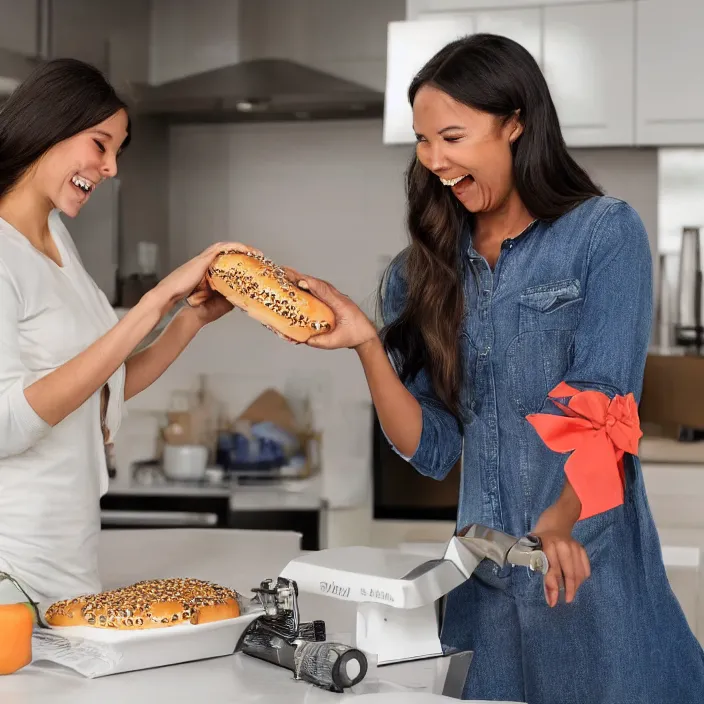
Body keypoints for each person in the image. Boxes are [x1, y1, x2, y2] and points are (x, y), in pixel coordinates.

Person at [283, 34, 704, 704]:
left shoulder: (603, 235)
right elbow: (433, 450)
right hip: (479, 590)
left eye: (452, 136)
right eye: (423, 141)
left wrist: (560, 519)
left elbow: (606, 410)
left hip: (587, 576)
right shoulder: (420, 272)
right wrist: (366, 345)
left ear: (516, 124)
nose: (435, 160)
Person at [0, 58, 254, 606]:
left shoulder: (55, 240)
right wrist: (157, 299)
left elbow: (98, 386)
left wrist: (188, 319)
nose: (111, 167)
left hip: (68, 559)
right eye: (100, 143)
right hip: (10, 568)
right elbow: (7, 427)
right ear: (50, 126)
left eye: (118, 150)